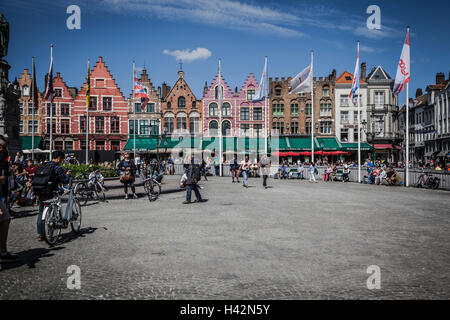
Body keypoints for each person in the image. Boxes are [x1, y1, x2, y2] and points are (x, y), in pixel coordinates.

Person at [33, 150, 71, 242]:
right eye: (62, 159)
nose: (62, 161)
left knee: (41, 212)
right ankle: (49, 234)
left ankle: (40, 234)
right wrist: (68, 175)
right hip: (51, 192)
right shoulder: (57, 167)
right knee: (52, 213)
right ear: (58, 158)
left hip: (41, 190)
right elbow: (64, 181)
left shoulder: (43, 165)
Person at [0, 135, 18, 261]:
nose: (4, 150)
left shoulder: (3, 158)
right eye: (2, 147)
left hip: (1, 194)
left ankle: (3, 251)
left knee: (6, 219)